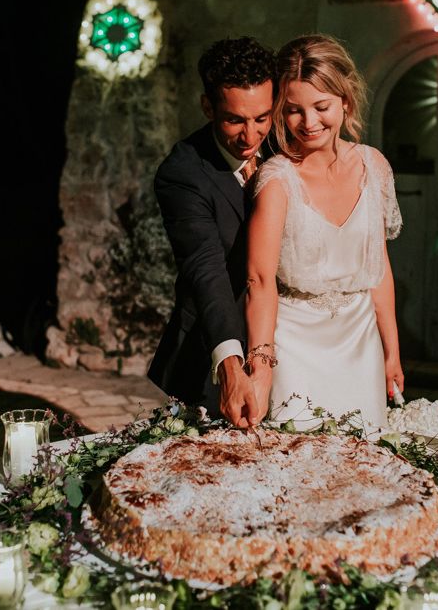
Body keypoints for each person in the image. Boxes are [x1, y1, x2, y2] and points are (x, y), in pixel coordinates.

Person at [245, 35, 404, 429]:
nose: (309, 122)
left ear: (345, 101)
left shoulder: (374, 167)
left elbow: (379, 267)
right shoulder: (278, 178)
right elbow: (260, 280)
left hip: (360, 344)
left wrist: (391, 352)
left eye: (322, 107)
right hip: (294, 349)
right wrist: (261, 369)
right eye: (294, 110)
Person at [148, 37, 276, 428]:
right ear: (208, 107)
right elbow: (205, 268)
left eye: (262, 118)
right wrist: (231, 364)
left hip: (294, 337)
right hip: (216, 337)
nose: (251, 136)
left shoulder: (284, 144)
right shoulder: (182, 173)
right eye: (234, 119)